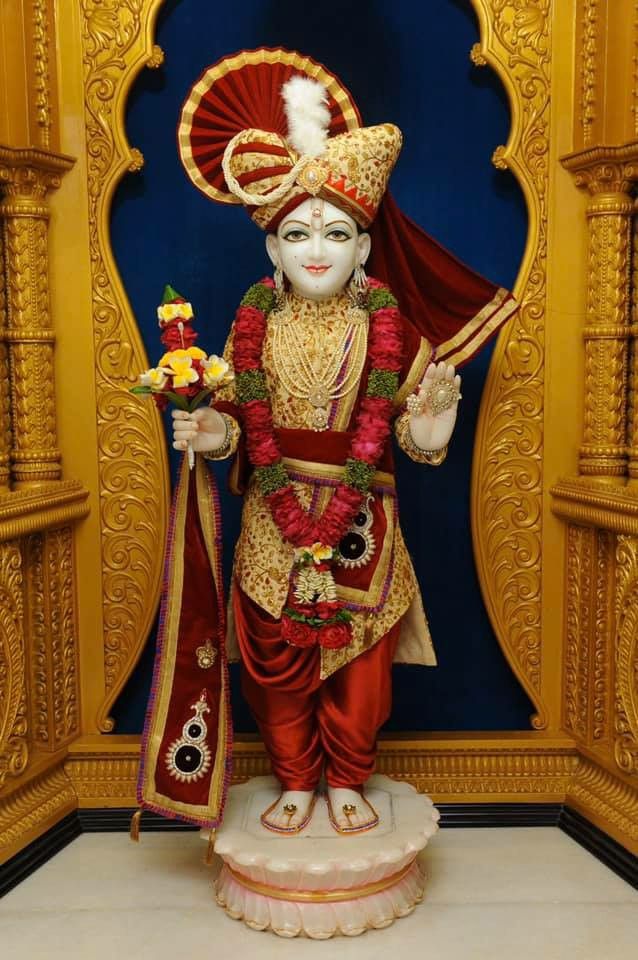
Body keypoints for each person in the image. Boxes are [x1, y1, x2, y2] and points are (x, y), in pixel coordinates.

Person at [137, 49, 516, 836]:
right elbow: (246, 430)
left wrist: (430, 427)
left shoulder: (392, 332)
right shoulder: (251, 333)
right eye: (298, 232)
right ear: (271, 250)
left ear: (366, 249)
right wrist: (214, 436)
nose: (317, 248)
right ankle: (296, 778)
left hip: (363, 526)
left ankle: (348, 775)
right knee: (277, 662)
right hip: (275, 522)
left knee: (360, 668)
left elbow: (411, 437)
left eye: (337, 232)